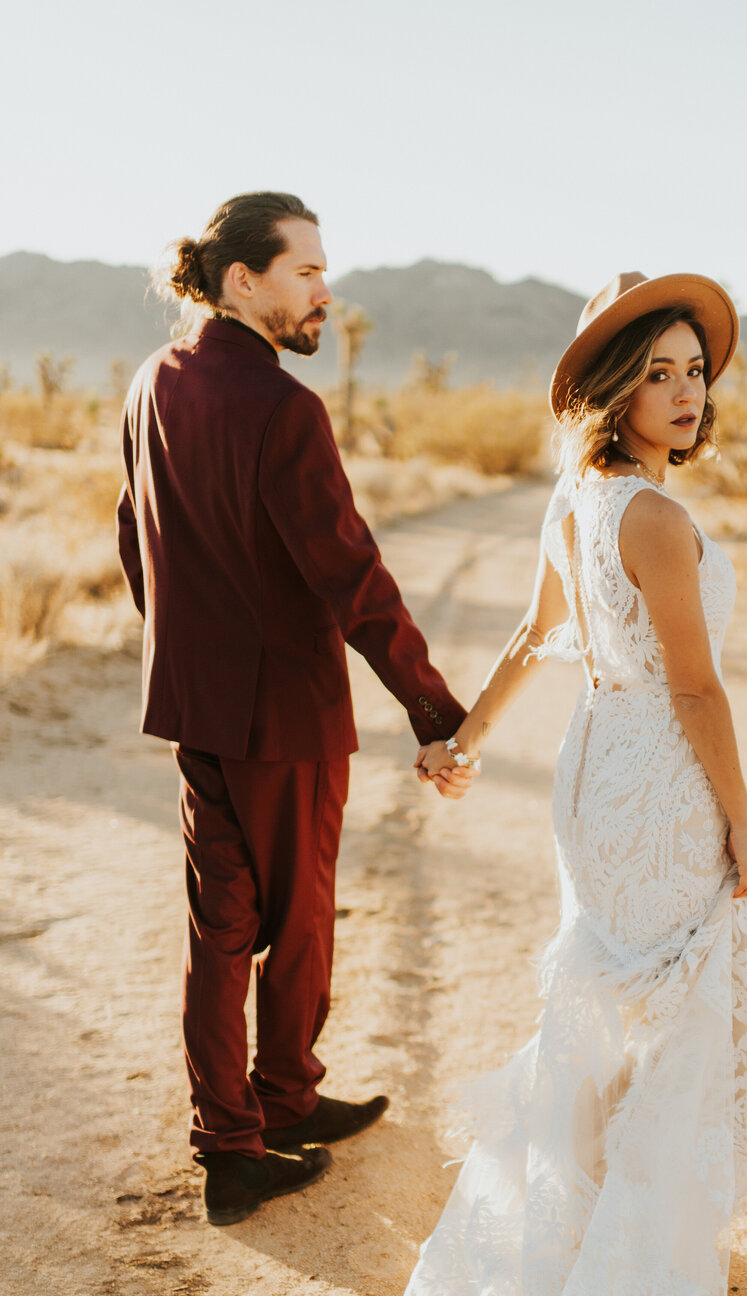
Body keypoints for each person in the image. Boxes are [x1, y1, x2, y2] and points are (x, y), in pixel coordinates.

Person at [341, 271, 747, 1296]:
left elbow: (541, 641)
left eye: (694, 373)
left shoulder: (575, 496)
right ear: (611, 389)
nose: (686, 393)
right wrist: (741, 822)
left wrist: (468, 738)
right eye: (659, 373)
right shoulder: (651, 518)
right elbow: (698, 682)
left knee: (607, 996)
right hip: (658, 774)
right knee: (661, 996)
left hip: (594, 784)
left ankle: (590, 1197)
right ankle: (628, 1241)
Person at [116, 192, 474, 1227]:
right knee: (301, 919)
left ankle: (234, 1144)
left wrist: (180, 648)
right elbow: (350, 576)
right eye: (306, 272)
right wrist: (433, 711)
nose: (326, 291)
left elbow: (133, 538)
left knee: (218, 930)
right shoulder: (282, 409)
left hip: (197, 711)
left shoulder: (151, 381)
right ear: (243, 282)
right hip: (287, 718)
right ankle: (282, 1098)